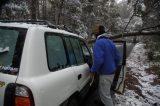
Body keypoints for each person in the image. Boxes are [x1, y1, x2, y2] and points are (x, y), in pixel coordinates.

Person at [90, 25, 121, 106]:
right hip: (112, 72)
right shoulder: (110, 42)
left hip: (105, 74)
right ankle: (102, 102)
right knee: (104, 90)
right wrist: (113, 66)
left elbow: (98, 60)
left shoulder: (98, 43)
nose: (94, 36)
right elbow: (118, 57)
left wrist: (92, 70)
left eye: (94, 34)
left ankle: (106, 103)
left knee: (106, 95)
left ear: (97, 34)